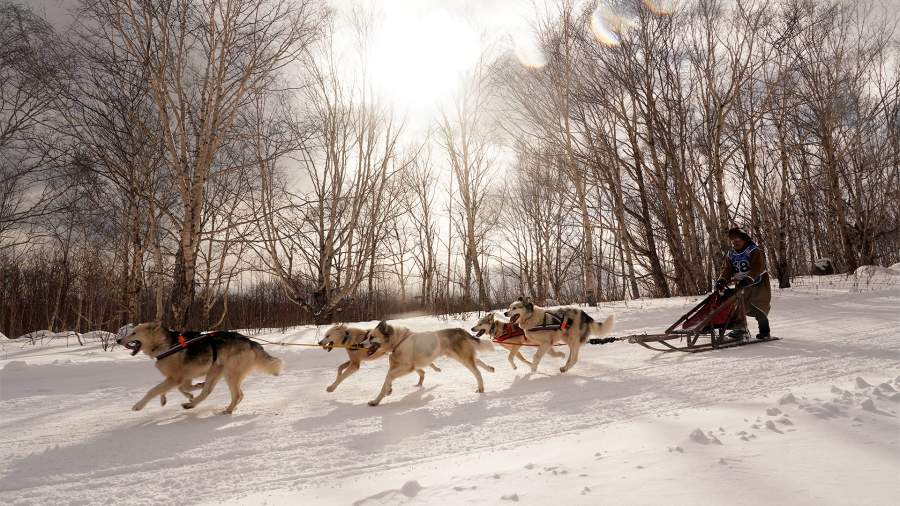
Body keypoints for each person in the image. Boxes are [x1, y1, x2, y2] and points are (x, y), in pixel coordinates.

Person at [714, 227, 772, 340]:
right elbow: (727, 269)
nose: (735, 243)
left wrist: (749, 278)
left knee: (759, 307)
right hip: (741, 284)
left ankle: (764, 331)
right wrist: (722, 279)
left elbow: (758, 266)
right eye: (733, 241)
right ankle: (740, 329)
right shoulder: (731, 254)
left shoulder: (753, 250)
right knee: (740, 306)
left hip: (758, 284)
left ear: (744, 239)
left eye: (737, 240)